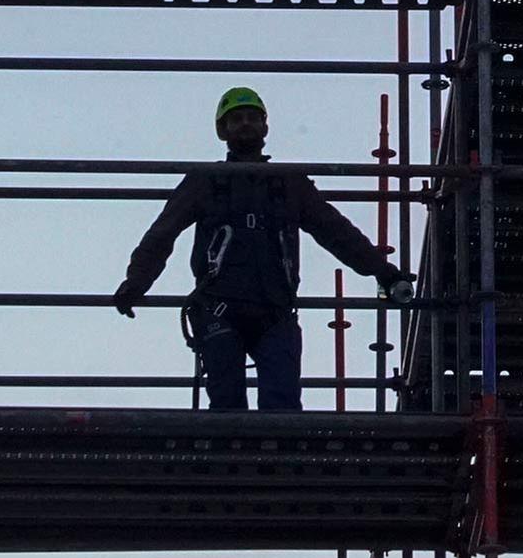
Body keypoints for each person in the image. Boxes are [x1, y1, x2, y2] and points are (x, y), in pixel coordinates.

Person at [112, 87, 413, 410]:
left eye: (253, 118)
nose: (245, 124)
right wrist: (137, 283)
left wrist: (384, 273)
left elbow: (337, 232)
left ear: (265, 127)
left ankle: (275, 459)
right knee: (226, 405)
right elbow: (162, 234)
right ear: (222, 130)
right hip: (219, 307)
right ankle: (231, 460)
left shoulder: (288, 183)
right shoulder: (206, 180)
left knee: (282, 407)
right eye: (237, 119)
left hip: (275, 311)